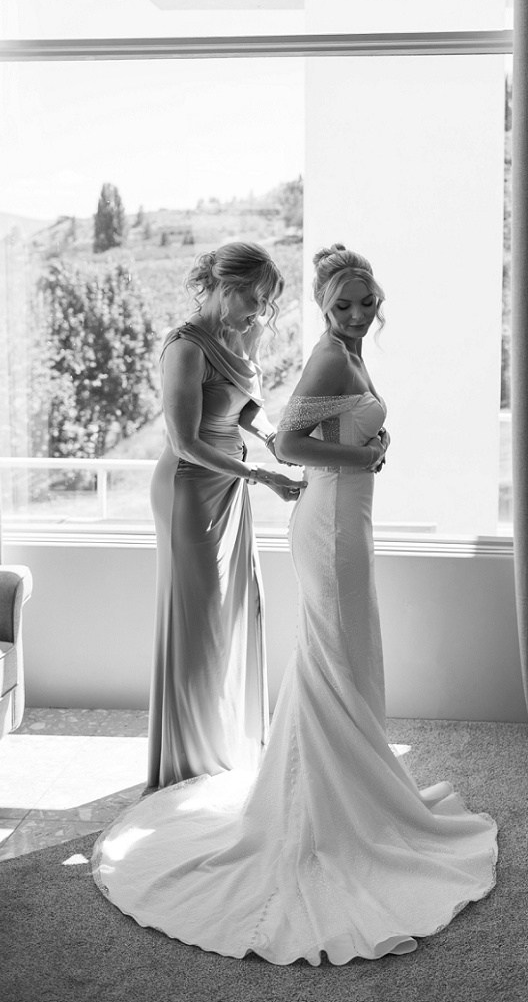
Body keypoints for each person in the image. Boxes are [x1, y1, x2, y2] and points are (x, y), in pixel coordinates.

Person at [93, 244, 498, 964]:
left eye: (367, 302)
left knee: (324, 647)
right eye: (343, 304)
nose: (357, 314)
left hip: (314, 507)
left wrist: (366, 438)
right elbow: (271, 440)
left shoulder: (324, 350)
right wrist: (327, 461)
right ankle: (258, 789)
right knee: (296, 646)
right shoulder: (244, 350)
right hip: (250, 499)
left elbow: (270, 418)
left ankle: (325, 784)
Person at [146, 242, 303, 789]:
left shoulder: (244, 333)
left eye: (265, 302)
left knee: (239, 610)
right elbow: (185, 443)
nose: (260, 311)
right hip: (189, 490)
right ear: (224, 286)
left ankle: (227, 744)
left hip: (230, 485)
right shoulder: (185, 348)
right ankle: (188, 761)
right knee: (199, 624)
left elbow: (245, 405)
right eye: (254, 298)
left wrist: (272, 437)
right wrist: (262, 474)